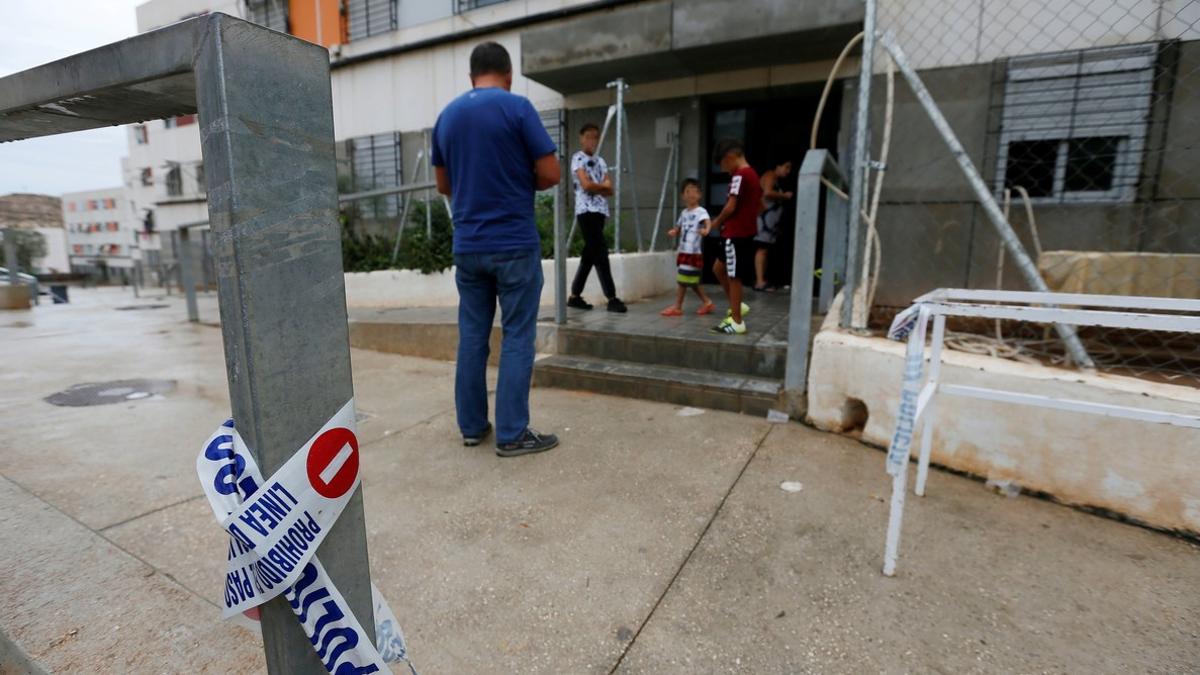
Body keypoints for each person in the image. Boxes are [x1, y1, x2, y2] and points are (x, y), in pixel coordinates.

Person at [432, 41, 560, 457]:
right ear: (508, 75)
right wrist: (523, 181)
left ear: (472, 77)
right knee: (519, 335)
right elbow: (551, 173)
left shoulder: (447, 117)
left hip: (468, 245)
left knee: (472, 336)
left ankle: (472, 427)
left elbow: (443, 186)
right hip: (514, 244)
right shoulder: (517, 108)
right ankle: (512, 433)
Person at [567, 123, 628, 313]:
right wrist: (600, 186)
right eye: (589, 136)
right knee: (600, 252)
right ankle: (612, 297)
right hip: (586, 211)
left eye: (595, 137)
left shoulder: (601, 161)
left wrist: (599, 187)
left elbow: (610, 188)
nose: (592, 140)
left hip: (600, 211)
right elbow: (586, 185)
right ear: (581, 137)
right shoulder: (577, 158)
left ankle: (575, 296)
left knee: (589, 254)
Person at [707, 138, 762, 335]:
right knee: (718, 269)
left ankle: (737, 321)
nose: (725, 171)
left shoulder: (740, 175)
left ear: (730, 157)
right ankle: (738, 305)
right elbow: (760, 205)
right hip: (743, 232)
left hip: (735, 234)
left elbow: (730, 206)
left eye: (724, 166)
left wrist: (717, 222)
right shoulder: (753, 175)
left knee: (734, 276)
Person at [661, 178, 716, 317]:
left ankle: (678, 307)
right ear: (682, 195)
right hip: (684, 251)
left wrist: (707, 230)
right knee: (690, 281)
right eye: (688, 191)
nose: (692, 194)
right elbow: (678, 228)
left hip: (693, 253)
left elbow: (708, 222)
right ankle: (707, 303)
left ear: (700, 195)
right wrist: (674, 232)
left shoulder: (700, 211)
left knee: (684, 280)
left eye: (695, 191)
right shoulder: (684, 213)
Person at [753, 159, 794, 291]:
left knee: (765, 250)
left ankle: (761, 280)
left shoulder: (775, 178)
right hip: (764, 220)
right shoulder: (770, 175)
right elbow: (767, 192)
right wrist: (784, 196)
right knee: (762, 250)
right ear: (778, 165)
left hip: (770, 222)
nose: (788, 171)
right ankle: (759, 281)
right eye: (786, 167)